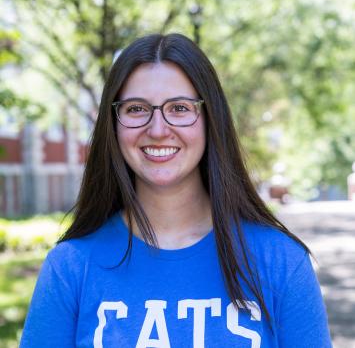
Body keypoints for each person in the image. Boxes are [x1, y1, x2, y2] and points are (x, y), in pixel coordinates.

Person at [20, 33, 332, 348]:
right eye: (137, 109)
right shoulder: (71, 267)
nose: (157, 130)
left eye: (180, 108)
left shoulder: (281, 262)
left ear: (211, 119)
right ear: (113, 125)